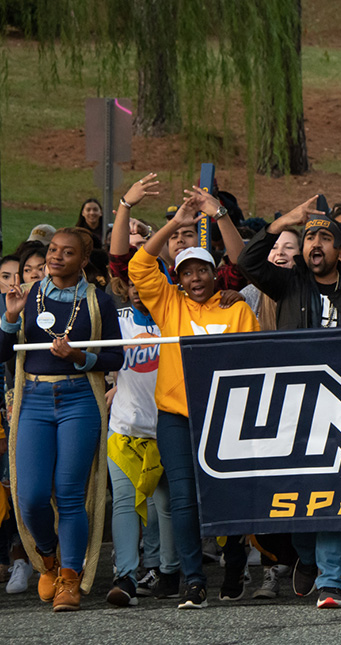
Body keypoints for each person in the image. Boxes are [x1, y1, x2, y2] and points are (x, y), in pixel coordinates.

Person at [237, 195, 341, 609]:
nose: (314, 244)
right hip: (292, 407)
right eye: (309, 238)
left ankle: (332, 580)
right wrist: (287, 218)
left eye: (324, 238)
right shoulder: (288, 282)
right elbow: (248, 262)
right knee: (297, 496)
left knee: (334, 494)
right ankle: (305, 555)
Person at [128, 187, 259, 610]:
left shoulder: (236, 309)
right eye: (187, 273)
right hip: (177, 416)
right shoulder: (168, 303)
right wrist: (178, 222)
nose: (195, 278)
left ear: (215, 273)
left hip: (226, 417)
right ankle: (193, 580)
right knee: (183, 499)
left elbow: (255, 360)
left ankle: (235, 561)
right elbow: (139, 263)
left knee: (228, 497)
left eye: (202, 270)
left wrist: (218, 213)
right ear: (178, 279)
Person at [1, 226, 124, 612]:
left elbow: (116, 358)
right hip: (33, 399)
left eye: (66, 253)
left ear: (83, 261)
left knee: (71, 494)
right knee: (31, 496)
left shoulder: (99, 302)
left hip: (79, 400)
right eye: (52, 250)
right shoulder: (28, 296)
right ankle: (49, 559)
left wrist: (79, 358)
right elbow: (3, 352)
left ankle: (69, 578)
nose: (55, 257)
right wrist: (9, 316)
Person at [103, 174, 179, 608]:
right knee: (126, 504)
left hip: (168, 424)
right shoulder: (118, 315)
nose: (137, 285)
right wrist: (125, 206)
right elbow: (117, 259)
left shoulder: (175, 312)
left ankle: (170, 573)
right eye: (132, 281)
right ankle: (126, 577)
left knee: (168, 506)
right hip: (125, 426)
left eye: (145, 279)